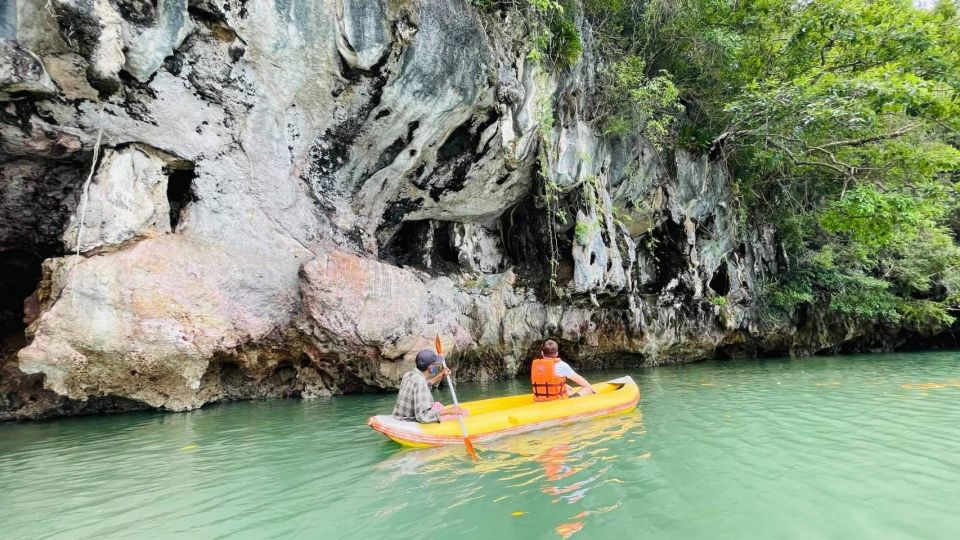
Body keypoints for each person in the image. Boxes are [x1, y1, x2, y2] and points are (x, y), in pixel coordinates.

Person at [392, 349, 468, 423]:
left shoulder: (409, 375)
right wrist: (449, 411)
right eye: (435, 364)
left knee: (437, 404)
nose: (437, 366)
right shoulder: (420, 382)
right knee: (463, 414)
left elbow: (425, 384)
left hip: (401, 415)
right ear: (430, 367)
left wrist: (440, 375)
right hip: (409, 420)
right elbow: (422, 416)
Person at [531, 339, 595, 401]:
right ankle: (572, 399)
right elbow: (582, 382)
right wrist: (591, 389)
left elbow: (547, 380)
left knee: (568, 387)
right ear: (557, 353)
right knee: (588, 387)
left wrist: (565, 386)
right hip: (555, 399)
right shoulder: (561, 365)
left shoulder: (536, 365)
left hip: (539, 398)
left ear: (542, 353)